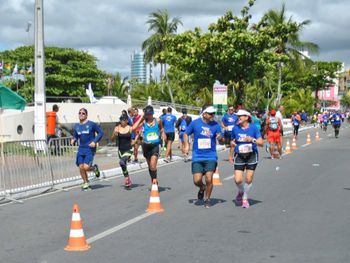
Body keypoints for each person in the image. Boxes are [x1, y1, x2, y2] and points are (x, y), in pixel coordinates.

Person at [183, 105, 224, 209]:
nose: (212, 115)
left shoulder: (216, 125)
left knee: (209, 178)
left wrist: (220, 138)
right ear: (204, 114)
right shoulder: (195, 123)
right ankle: (202, 187)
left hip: (211, 156)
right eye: (210, 114)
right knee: (197, 180)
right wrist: (187, 145)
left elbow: (222, 141)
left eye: (213, 113)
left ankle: (207, 199)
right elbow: (186, 134)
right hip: (197, 156)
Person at [229, 109, 264, 208]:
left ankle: (245, 198)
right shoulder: (235, 128)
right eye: (238, 116)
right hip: (239, 156)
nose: (238, 117)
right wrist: (230, 155)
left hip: (251, 156)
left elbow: (261, 143)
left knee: (248, 179)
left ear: (246, 117)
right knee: (238, 180)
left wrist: (252, 139)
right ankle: (241, 191)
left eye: (240, 116)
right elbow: (232, 142)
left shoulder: (254, 128)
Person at [71, 108, 104, 190]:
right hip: (81, 149)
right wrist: (73, 139)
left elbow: (101, 132)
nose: (81, 114)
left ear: (86, 115)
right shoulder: (76, 126)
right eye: (80, 113)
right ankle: (86, 182)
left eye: (83, 113)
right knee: (81, 167)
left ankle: (94, 168)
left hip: (90, 148)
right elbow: (75, 136)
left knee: (86, 167)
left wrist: (95, 141)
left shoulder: (92, 124)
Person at [133, 105, 166, 184]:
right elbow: (134, 128)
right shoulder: (143, 121)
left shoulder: (158, 121)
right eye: (147, 114)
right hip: (145, 146)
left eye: (150, 114)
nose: (149, 116)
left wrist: (163, 134)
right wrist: (141, 118)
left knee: (153, 165)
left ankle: (154, 179)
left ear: (153, 113)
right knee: (150, 166)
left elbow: (161, 129)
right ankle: (153, 179)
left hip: (155, 145)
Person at [111, 115, 136, 188]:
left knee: (121, 162)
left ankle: (126, 178)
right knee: (123, 165)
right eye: (121, 120)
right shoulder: (117, 128)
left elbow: (137, 133)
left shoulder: (130, 128)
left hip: (128, 149)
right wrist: (114, 134)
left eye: (124, 120)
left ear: (127, 121)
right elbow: (112, 139)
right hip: (120, 150)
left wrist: (134, 140)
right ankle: (128, 179)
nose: (122, 121)